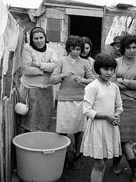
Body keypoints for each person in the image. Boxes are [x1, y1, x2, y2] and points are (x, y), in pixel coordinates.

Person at [50, 35, 94, 169]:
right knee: (62, 130)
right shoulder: (61, 62)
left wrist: (83, 80)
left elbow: (92, 80)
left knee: (78, 130)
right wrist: (62, 76)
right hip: (64, 100)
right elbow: (52, 80)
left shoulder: (86, 63)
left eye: (78, 49)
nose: (75, 52)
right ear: (68, 48)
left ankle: (76, 157)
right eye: (72, 49)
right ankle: (61, 157)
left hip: (80, 100)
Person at [81, 53, 123, 182]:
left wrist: (115, 116)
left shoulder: (114, 87)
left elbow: (119, 106)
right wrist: (106, 116)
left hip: (110, 127)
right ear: (98, 69)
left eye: (111, 69)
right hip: (97, 128)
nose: (109, 72)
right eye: (106, 69)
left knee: (104, 161)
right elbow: (86, 111)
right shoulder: (92, 87)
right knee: (99, 163)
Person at [112, 34, 136, 182]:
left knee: (124, 138)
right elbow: (111, 82)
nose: (132, 50)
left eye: (134, 47)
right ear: (123, 48)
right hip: (116, 103)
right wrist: (130, 83)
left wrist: (123, 81)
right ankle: (135, 171)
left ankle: (117, 164)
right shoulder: (115, 62)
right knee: (120, 137)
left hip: (133, 104)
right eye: (128, 47)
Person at [18, 27, 57, 132]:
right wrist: (45, 70)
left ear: (45, 37)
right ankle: (29, 145)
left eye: (41, 37)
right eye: (36, 38)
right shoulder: (27, 49)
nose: (39, 41)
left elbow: (55, 67)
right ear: (31, 39)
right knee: (31, 121)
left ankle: (41, 144)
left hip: (47, 90)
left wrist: (38, 65)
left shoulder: (50, 51)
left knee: (45, 120)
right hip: (31, 89)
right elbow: (26, 70)